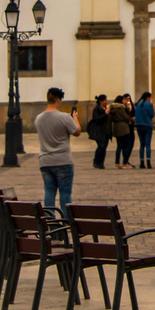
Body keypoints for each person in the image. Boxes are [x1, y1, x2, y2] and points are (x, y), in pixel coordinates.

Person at [35, 87, 81, 217]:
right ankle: (67, 221)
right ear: (58, 100)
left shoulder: (39, 118)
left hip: (45, 160)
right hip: (62, 160)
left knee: (49, 192)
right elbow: (77, 132)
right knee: (65, 193)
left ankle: (51, 221)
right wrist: (75, 118)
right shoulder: (64, 117)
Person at [111, 93, 135, 168]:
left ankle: (117, 162)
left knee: (119, 146)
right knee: (127, 145)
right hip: (123, 128)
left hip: (116, 127)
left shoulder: (113, 108)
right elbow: (126, 117)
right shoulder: (121, 108)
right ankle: (125, 162)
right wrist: (128, 111)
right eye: (124, 99)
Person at [88, 96, 111, 169]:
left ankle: (101, 162)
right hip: (99, 131)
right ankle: (96, 161)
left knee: (104, 147)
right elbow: (97, 119)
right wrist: (105, 114)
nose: (106, 102)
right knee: (101, 146)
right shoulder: (97, 109)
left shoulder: (106, 108)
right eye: (104, 100)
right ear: (100, 101)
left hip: (106, 131)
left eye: (106, 100)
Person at [135, 91, 155, 169]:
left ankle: (142, 162)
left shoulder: (138, 104)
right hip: (147, 125)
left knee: (141, 145)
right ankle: (148, 162)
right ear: (148, 97)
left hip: (139, 125)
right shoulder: (149, 104)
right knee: (148, 144)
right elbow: (152, 115)